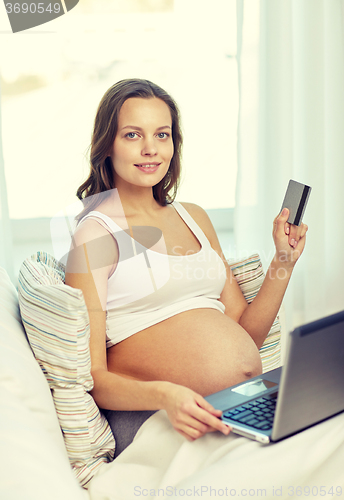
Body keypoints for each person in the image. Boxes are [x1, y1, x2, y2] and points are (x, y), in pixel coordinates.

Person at [65, 78, 308, 449]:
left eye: (162, 135)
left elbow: (247, 335)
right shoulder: (96, 235)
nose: (150, 149)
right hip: (160, 416)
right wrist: (166, 396)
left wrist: (284, 262)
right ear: (107, 146)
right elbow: (94, 376)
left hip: (234, 405)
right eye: (132, 135)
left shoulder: (194, 217)